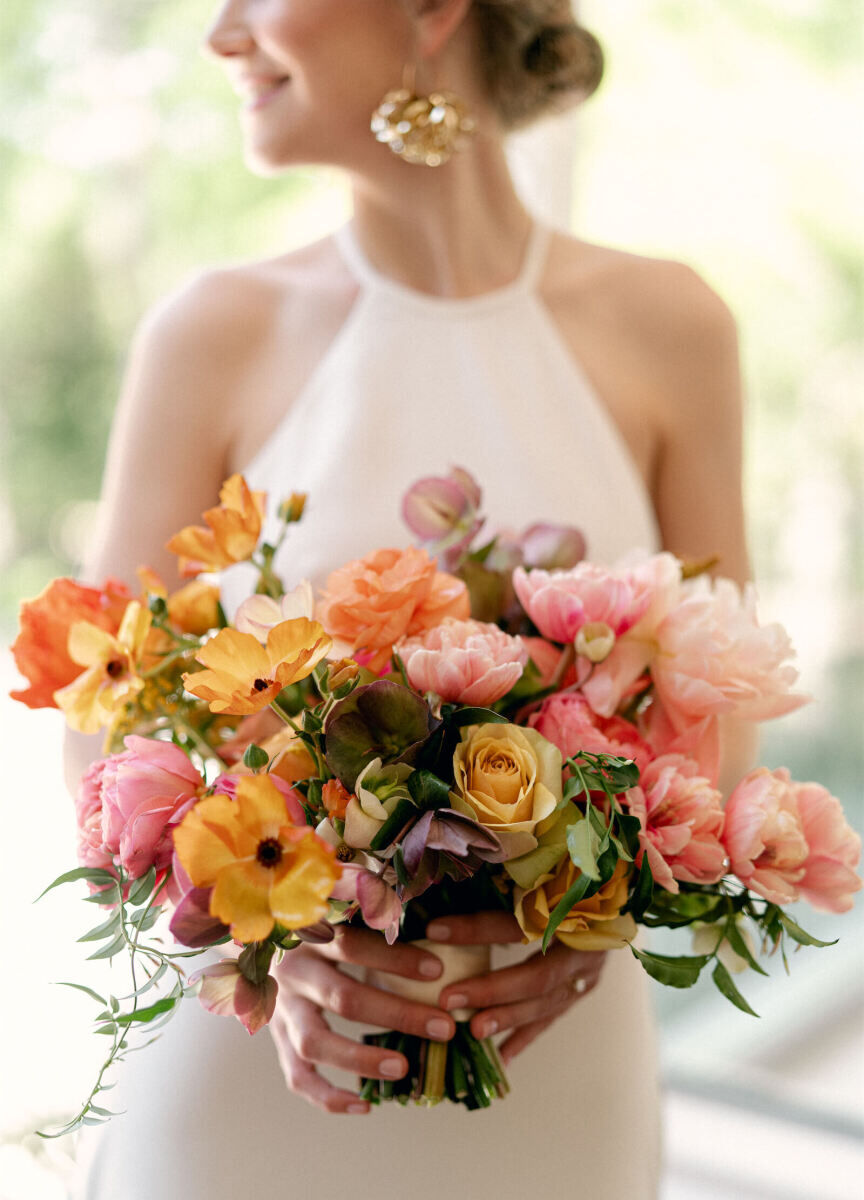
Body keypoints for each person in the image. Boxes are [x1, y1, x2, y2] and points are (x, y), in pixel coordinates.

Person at [70, 1, 750, 1197]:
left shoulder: (672, 328)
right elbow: (101, 738)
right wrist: (265, 959)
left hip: (555, 1084)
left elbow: (725, 732)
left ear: (433, 9)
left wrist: (595, 917)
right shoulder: (210, 333)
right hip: (252, 1085)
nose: (221, 33)